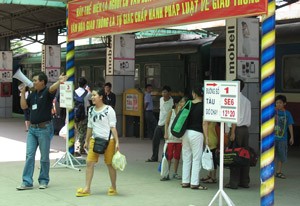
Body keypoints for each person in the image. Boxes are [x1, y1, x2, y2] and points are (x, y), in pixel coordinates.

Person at [17, 71, 68, 190]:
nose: (33, 82)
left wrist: (59, 82)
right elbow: (24, 106)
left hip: (44, 128)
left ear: (42, 82)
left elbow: (52, 88)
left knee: (44, 157)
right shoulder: (33, 94)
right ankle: (27, 181)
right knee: (29, 155)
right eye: (33, 80)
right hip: (32, 130)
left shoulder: (47, 92)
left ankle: (43, 180)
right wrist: (23, 93)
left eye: (35, 80)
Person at [76, 87, 120, 197]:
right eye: (92, 95)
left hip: (108, 141)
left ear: (101, 97)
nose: (92, 97)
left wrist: (117, 142)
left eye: (94, 95)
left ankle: (113, 187)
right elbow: (90, 126)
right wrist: (86, 140)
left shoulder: (109, 110)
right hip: (94, 140)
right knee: (89, 163)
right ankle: (87, 188)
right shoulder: (91, 110)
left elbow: (113, 127)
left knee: (110, 164)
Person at [225, 79, 251, 189]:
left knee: (234, 155)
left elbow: (234, 117)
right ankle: (244, 181)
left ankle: (233, 182)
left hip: (236, 130)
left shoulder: (234, 99)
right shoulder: (247, 100)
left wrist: (232, 132)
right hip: (245, 130)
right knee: (244, 155)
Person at [181, 85, 207, 190]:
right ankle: (194, 183)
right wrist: (207, 137)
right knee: (196, 159)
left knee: (186, 158)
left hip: (186, 133)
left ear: (194, 94)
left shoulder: (188, 103)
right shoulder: (204, 106)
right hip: (197, 134)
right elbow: (204, 123)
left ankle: (185, 181)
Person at [161, 96, 188, 181]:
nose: (181, 104)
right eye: (180, 102)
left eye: (182, 102)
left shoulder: (183, 112)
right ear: (176, 104)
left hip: (179, 138)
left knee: (177, 156)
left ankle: (175, 173)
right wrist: (165, 133)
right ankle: (166, 173)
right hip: (170, 137)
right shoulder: (171, 112)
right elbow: (166, 123)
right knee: (169, 156)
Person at [146, 86, 173, 162]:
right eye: (163, 92)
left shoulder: (172, 102)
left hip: (166, 124)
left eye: (165, 92)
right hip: (159, 123)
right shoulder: (161, 99)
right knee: (155, 140)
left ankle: (165, 158)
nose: (163, 94)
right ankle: (154, 157)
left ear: (169, 93)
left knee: (166, 142)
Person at [274, 95, 294, 179]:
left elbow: (290, 125)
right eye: (277, 103)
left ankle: (278, 171)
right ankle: (268, 170)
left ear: (284, 103)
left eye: (280, 103)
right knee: (270, 155)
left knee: (281, 155)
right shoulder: (273, 112)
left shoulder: (287, 113)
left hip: (282, 138)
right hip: (272, 138)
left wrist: (292, 137)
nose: (278, 104)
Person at [74, 77, 91, 155]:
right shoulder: (87, 93)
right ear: (85, 85)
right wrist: (88, 90)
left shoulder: (74, 92)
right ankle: (79, 148)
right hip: (84, 115)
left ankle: (79, 148)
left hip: (75, 115)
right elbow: (91, 98)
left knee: (77, 131)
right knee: (82, 132)